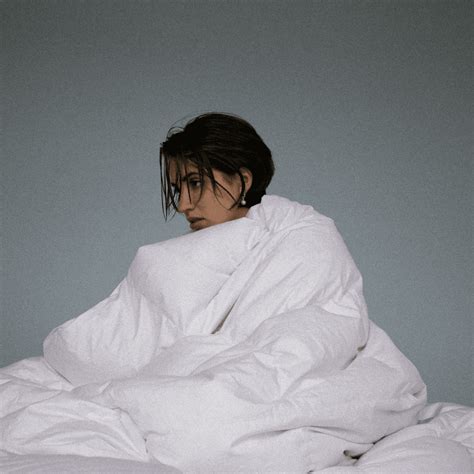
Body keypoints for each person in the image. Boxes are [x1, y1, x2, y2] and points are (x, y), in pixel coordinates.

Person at [160, 112, 275, 230]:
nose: (182, 206)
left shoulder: (285, 235)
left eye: (196, 183)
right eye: (178, 190)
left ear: (243, 181)